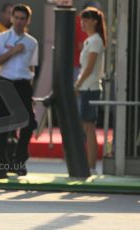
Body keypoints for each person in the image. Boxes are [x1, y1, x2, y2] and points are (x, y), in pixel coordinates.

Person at [0, 4, 38, 179]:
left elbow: (32, 67)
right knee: (1, 124)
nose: (18, 21)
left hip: (24, 84)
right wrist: (12, 52)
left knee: (29, 123)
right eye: (15, 17)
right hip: (5, 83)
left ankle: (19, 160)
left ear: (27, 20)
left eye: (22, 18)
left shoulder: (32, 42)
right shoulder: (0, 38)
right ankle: (1, 164)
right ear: (11, 18)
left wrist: (30, 93)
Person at [74, 6, 106, 175]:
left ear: (94, 21)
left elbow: (89, 68)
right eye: (82, 20)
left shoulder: (95, 40)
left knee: (89, 127)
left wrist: (77, 84)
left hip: (90, 87)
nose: (83, 23)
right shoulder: (90, 40)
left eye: (86, 20)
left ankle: (91, 166)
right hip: (86, 86)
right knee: (86, 127)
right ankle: (88, 164)